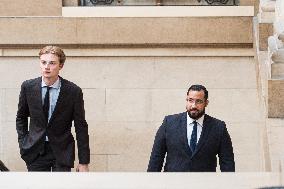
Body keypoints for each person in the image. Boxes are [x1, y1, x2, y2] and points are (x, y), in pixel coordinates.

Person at [16, 46, 90, 172]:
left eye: (52, 63)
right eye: (43, 62)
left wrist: (84, 162)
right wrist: (23, 142)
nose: (47, 67)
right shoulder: (28, 87)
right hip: (35, 151)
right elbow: (21, 117)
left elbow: (81, 126)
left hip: (62, 151)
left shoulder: (73, 91)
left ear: (60, 66)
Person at [147, 84, 235, 172]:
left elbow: (227, 163)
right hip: (174, 184)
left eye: (199, 101)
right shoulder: (169, 123)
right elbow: (156, 158)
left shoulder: (218, 127)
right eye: (190, 100)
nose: (193, 106)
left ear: (206, 103)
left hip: (206, 184)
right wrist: (151, 184)